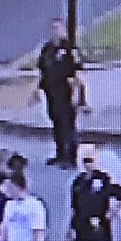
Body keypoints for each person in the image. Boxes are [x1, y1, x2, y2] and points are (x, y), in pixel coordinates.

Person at [36, 19, 84, 168]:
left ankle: (71, 157)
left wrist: (79, 95)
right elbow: (42, 70)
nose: (55, 31)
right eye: (52, 29)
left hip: (66, 93)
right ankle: (60, 153)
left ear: (63, 30)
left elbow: (78, 72)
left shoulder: (70, 49)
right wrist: (38, 89)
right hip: (51, 94)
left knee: (67, 125)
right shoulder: (47, 49)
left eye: (58, 28)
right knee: (56, 123)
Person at [68, 146, 121, 241]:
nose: (88, 164)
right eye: (85, 161)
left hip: (100, 226)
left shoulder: (103, 179)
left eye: (90, 161)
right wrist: (71, 230)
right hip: (81, 226)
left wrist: (114, 211)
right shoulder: (78, 182)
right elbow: (75, 208)